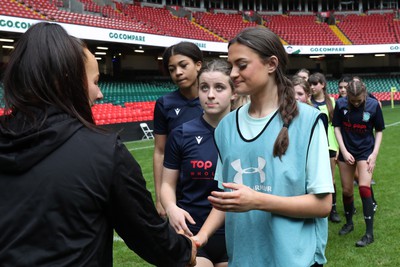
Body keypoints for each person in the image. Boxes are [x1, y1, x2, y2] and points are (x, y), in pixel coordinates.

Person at [0, 22, 196, 266]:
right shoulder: (103, 152)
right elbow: (153, 238)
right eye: (95, 82)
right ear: (68, 81)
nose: (100, 94)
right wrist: (186, 250)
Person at [193, 27, 334, 267]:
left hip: (294, 259)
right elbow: (229, 199)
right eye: (231, 66)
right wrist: (200, 238)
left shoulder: (308, 121)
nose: (233, 74)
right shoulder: (226, 127)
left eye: (242, 65)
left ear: (271, 64)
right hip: (244, 259)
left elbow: (322, 205)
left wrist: (258, 200)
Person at [161, 59, 233, 267]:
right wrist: (171, 207)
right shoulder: (181, 134)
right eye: (204, 88)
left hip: (235, 233)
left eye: (219, 87)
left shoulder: (246, 134)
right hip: (190, 231)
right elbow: (167, 184)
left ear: (233, 92)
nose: (210, 94)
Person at [153, 42, 204, 218]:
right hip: (179, 193)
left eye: (183, 65)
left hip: (214, 188)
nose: (178, 73)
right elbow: (160, 151)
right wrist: (160, 198)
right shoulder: (164, 104)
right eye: (172, 69)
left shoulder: (215, 101)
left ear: (198, 65)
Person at [333, 79, 384, 247]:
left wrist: (374, 154)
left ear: (364, 94)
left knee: (364, 187)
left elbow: (379, 131)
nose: (355, 103)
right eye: (352, 100)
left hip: (365, 151)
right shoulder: (340, 104)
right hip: (347, 151)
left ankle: (369, 234)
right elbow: (337, 128)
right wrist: (344, 151)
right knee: (347, 191)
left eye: (359, 100)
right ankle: (349, 223)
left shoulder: (373, 105)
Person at [309, 72, 341, 223]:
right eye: (310, 84)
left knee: (330, 179)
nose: (312, 87)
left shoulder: (332, 102)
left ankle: (332, 209)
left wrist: (339, 147)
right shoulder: (308, 102)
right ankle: (313, 207)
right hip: (314, 146)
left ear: (322, 84)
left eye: (315, 84)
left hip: (330, 145)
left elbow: (336, 127)